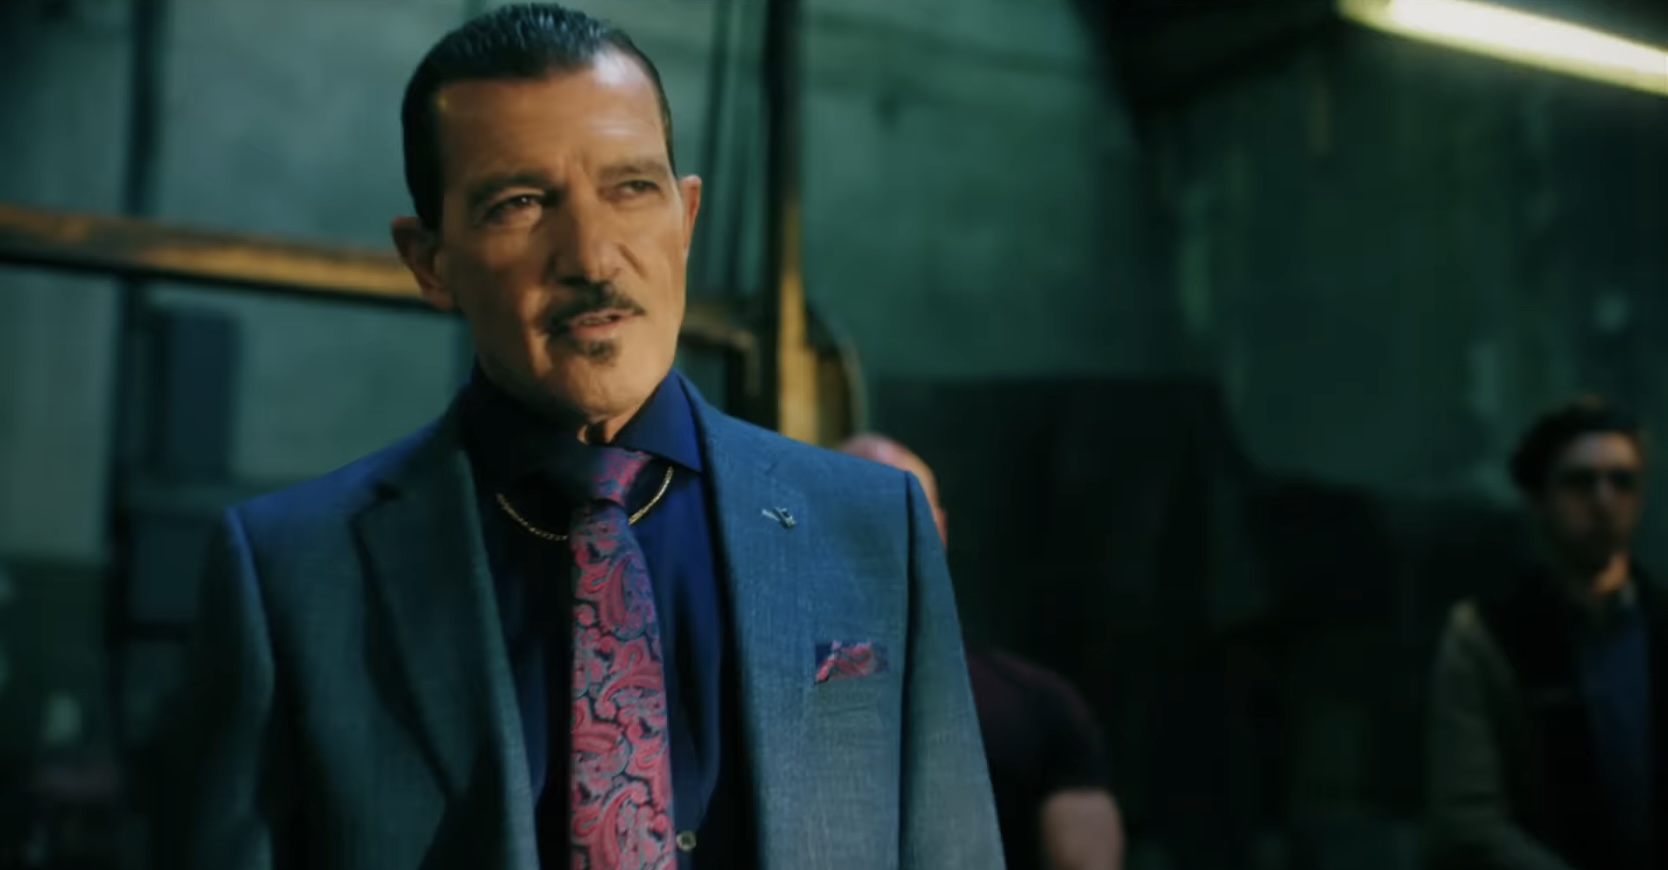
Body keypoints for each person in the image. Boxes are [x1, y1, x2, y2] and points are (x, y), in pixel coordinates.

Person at [152, 6, 1002, 869]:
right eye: (520, 203)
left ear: (687, 217)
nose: (592, 258)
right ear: (429, 261)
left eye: (632, 188)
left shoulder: (872, 529)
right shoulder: (295, 577)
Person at [840, 434, 1125, 870]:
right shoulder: (777, 688)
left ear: (939, 529)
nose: (878, 533)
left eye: (900, 512)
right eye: (852, 513)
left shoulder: (1038, 705)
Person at [1426, 398, 1667, 870]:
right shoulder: (1485, 637)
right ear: (1538, 500)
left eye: (1622, 481)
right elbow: (1468, 822)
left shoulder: (1658, 622)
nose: (1603, 501)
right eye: (1580, 482)